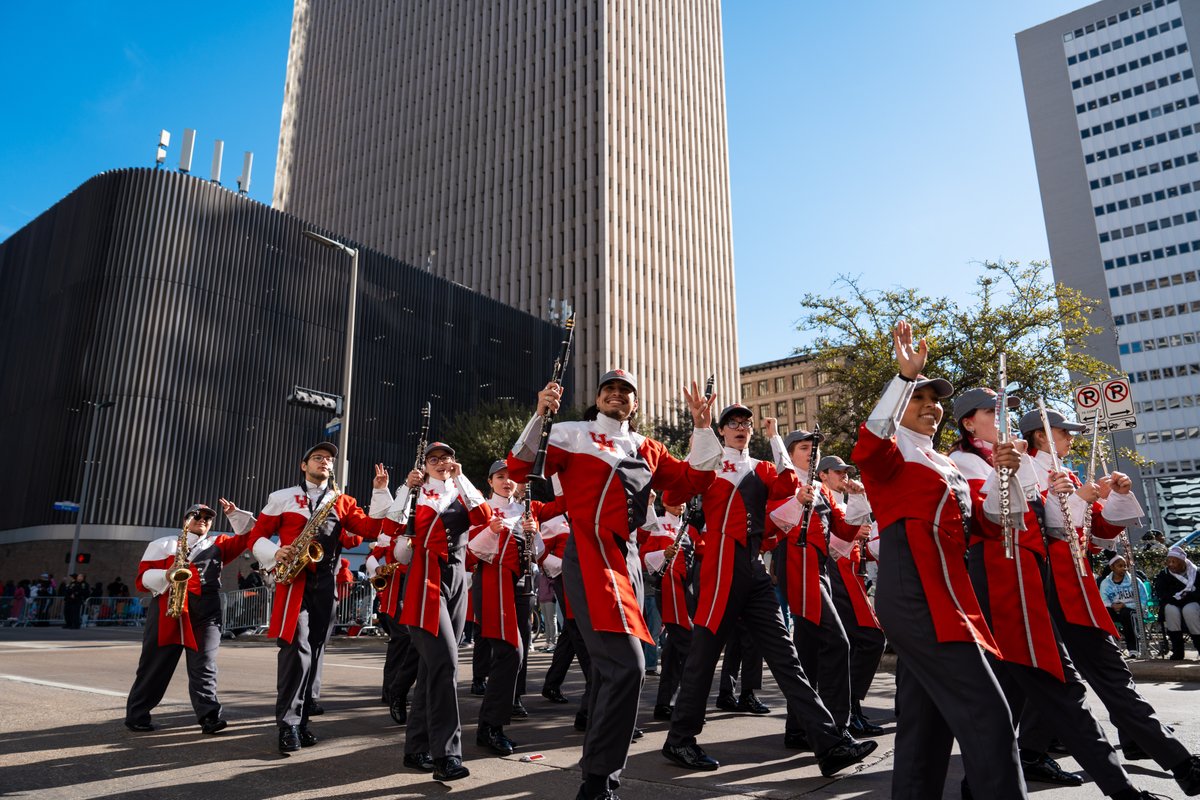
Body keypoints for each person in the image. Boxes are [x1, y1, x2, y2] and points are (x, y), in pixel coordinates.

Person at [507, 369, 721, 800]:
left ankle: (596, 779)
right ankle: (600, 780)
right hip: (589, 551)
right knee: (629, 667)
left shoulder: (649, 447)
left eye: (626, 392)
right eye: (609, 389)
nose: (617, 395)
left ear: (635, 404)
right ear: (598, 397)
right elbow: (518, 466)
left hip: (627, 559)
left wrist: (702, 427)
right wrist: (539, 414)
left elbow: (694, 481)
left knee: (612, 672)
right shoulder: (570, 432)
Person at [852, 321, 1026, 799]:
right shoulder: (887, 455)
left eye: (936, 401)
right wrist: (904, 378)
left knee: (924, 730)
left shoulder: (945, 462)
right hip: (917, 594)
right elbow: (869, 439)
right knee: (990, 715)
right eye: (920, 399)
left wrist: (1004, 474)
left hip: (948, 597)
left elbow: (989, 525)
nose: (931, 407)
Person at [951, 386, 1153, 797]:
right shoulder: (964, 461)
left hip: (1034, 585)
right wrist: (1009, 472)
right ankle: (1135, 779)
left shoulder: (1020, 461)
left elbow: (1078, 532)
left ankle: (997, 774)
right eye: (993, 411)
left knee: (1014, 692)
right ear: (969, 422)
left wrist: (1104, 496)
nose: (1002, 417)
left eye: (1005, 410)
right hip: (1002, 590)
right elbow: (992, 522)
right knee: (1059, 689)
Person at [662, 402, 876, 775]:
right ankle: (680, 739)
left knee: (786, 658)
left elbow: (789, 483)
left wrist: (776, 436)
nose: (741, 428)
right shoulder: (708, 460)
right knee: (703, 654)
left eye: (746, 423)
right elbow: (674, 495)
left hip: (754, 569)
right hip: (720, 565)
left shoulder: (762, 467)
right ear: (722, 430)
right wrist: (701, 436)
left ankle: (829, 743)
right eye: (732, 423)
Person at [1015, 410, 1200, 796]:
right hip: (1052, 589)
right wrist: (1081, 499)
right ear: (1041, 436)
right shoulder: (1024, 470)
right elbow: (1046, 531)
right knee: (1108, 679)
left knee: (1057, 681)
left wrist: (1114, 493)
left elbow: (1100, 531)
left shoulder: (1066, 473)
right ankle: (1181, 763)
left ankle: (1030, 752)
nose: (1071, 439)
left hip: (1073, 587)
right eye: (1065, 433)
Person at [244, 442, 391, 755]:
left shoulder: (342, 501)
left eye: (328, 459)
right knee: (296, 650)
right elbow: (255, 536)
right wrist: (275, 552)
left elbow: (372, 529)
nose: (324, 461)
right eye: (318, 457)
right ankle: (288, 725)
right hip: (293, 581)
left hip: (325, 583)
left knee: (316, 650)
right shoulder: (281, 497)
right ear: (304, 464)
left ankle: (303, 722)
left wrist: (380, 492)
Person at [384, 441, 490, 782]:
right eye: (434, 459)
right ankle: (447, 755)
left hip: (457, 582)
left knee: (433, 670)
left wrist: (463, 480)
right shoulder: (416, 495)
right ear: (424, 465)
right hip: (424, 582)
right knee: (445, 665)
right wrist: (405, 488)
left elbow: (484, 520)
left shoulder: (461, 492)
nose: (442, 462)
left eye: (447, 458)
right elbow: (388, 533)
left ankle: (416, 749)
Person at [769, 423, 870, 738]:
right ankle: (838, 727)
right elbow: (773, 520)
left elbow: (843, 533)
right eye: (803, 446)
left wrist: (857, 497)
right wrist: (797, 499)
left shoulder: (824, 489)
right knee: (837, 642)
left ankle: (799, 727)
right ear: (789, 453)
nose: (812, 450)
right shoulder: (783, 480)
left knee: (809, 647)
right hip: (797, 560)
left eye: (814, 446)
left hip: (820, 565)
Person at [125, 503, 252, 734]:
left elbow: (249, 536)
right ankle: (137, 715)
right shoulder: (162, 544)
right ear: (185, 520)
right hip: (167, 607)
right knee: (155, 665)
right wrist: (166, 573)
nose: (202, 520)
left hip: (206, 609)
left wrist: (234, 515)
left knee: (205, 664)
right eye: (197, 515)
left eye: (208, 518)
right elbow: (142, 580)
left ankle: (209, 717)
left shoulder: (219, 543)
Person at [468, 459, 560, 756]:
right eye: (500, 477)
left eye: (511, 477)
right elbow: (472, 551)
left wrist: (533, 533)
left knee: (517, 653)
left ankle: (495, 722)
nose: (507, 482)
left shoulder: (525, 510)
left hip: (522, 587)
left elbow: (539, 554)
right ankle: (490, 727)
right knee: (509, 653)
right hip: (493, 584)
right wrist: (493, 530)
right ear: (490, 481)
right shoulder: (482, 509)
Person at [816, 454, 886, 738]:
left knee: (861, 641)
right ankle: (847, 708)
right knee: (866, 639)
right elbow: (826, 539)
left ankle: (850, 707)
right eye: (838, 472)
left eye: (846, 473)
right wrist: (855, 536)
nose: (844, 477)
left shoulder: (844, 502)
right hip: (837, 573)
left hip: (853, 576)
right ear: (823, 475)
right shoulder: (821, 499)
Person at [641, 501, 700, 721]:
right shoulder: (657, 524)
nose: (681, 506)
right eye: (677, 502)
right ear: (666, 501)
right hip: (667, 590)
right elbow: (643, 555)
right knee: (690, 646)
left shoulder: (690, 529)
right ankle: (688, 705)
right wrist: (663, 555)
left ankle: (665, 704)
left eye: (683, 502)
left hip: (687, 593)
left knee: (674, 652)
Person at [364, 530, 418, 725]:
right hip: (395, 591)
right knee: (402, 639)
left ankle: (392, 690)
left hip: (412, 587)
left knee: (402, 643)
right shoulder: (391, 532)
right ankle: (392, 690)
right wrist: (379, 569)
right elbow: (371, 557)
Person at [1156, 546, 1200, 660]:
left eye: (1174, 561)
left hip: (1192, 601)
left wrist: (1186, 597)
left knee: (1189, 610)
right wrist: (1176, 598)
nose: (1170, 564)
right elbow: (1162, 593)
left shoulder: (1196, 572)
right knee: (1171, 610)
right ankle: (1177, 651)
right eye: (1169, 561)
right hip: (1172, 602)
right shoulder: (1164, 574)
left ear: (1182, 562)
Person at [1100, 555, 1149, 654]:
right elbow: (1103, 600)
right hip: (1114, 610)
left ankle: (1133, 649)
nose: (1124, 568)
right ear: (1112, 568)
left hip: (1133, 611)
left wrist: (1125, 605)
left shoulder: (1135, 581)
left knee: (1126, 613)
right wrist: (1112, 606)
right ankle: (1108, 648)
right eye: (1120, 566)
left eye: (1125, 566)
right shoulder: (1105, 583)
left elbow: (1143, 600)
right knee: (1104, 613)